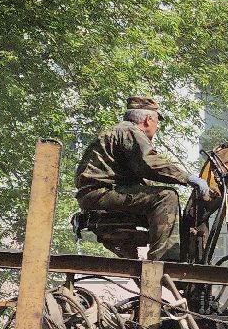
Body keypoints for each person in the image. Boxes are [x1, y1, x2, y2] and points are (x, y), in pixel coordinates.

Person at [74, 96, 206, 261]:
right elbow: (148, 164)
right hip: (101, 194)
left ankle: (169, 255)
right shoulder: (130, 131)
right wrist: (188, 178)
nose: (156, 127)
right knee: (166, 197)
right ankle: (165, 260)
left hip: (100, 194)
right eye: (157, 122)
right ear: (148, 119)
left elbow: (141, 178)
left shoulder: (119, 133)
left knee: (164, 209)